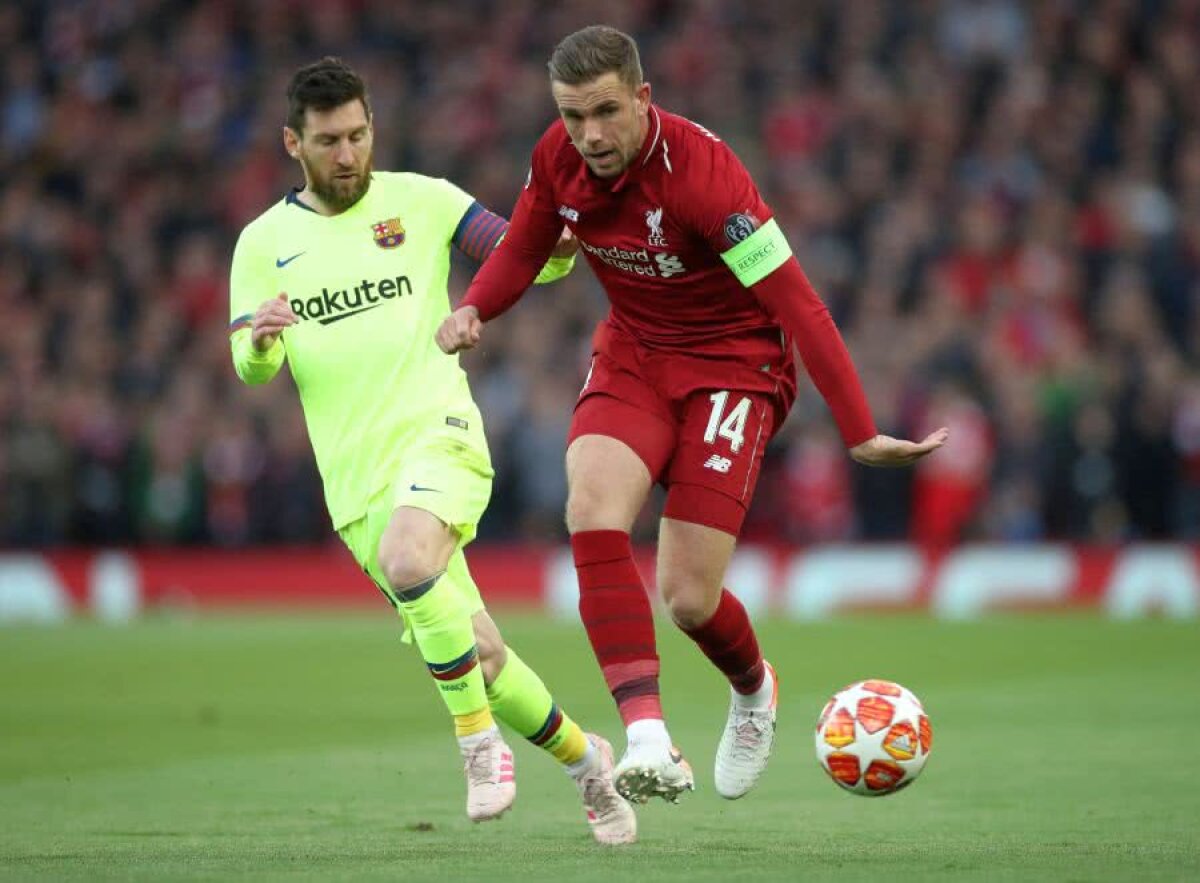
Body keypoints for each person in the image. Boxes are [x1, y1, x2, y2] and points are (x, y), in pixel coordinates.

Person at [437, 26, 948, 805]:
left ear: (644, 99)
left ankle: (753, 689)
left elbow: (797, 303)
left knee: (687, 597)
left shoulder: (705, 177)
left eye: (606, 111)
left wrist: (858, 429)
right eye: (573, 116)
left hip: (736, 368)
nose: (590, 135)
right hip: (636, 354)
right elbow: (525, 245)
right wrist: (475, 307)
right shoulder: (559, 157)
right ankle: (647, 735)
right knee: (592, 508)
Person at [229, 57, 636, 845]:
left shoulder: (424, 199)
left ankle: (478, 747)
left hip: (441, 437)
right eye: (328, 140)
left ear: (372, 127)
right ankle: (589, 761)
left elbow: (522, 253)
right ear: (293, 143)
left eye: (357, 134)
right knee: (479, 651)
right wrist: (262, 338)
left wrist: (554, 236)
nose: (348, 153)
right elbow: (252, 366)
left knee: (412, 559)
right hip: (357, 485)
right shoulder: (263, 243)